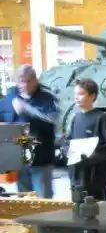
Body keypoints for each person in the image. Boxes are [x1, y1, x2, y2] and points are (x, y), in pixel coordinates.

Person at [0, 64, 57, 198]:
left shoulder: (46, 98)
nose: (25, 85)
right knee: (24, 199)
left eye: (29, 81)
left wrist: (28, 110)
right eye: (21, 81)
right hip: (18, 160)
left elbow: (51, 120)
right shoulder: (10, 98)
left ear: (35, 81)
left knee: (43, 200)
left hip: (41, 159)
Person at [64, 78, 106, 201]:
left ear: (92, 96)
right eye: (75, 94)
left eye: (81, 94)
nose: (76, 97)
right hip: (76, 175)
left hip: (94, 176)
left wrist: (86, 157)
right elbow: (69, 141)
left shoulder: (101, 118)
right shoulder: (76, 118)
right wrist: (66, 150)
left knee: (95, 206)